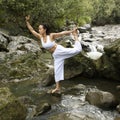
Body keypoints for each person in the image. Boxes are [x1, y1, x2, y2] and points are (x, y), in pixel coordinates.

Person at [25, 15, 82, 93]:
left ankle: (76, 36)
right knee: (57, 70)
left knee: (78, 50)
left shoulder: (51, 36)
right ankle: (57, 88)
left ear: (45, 29)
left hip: (59, 50)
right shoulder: (40, 37)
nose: (39, 30)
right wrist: (27, 21)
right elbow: (32, 30)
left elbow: (62, 33)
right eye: (38, 29)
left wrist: (72, 32)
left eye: (40, 29)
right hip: (55, 55)